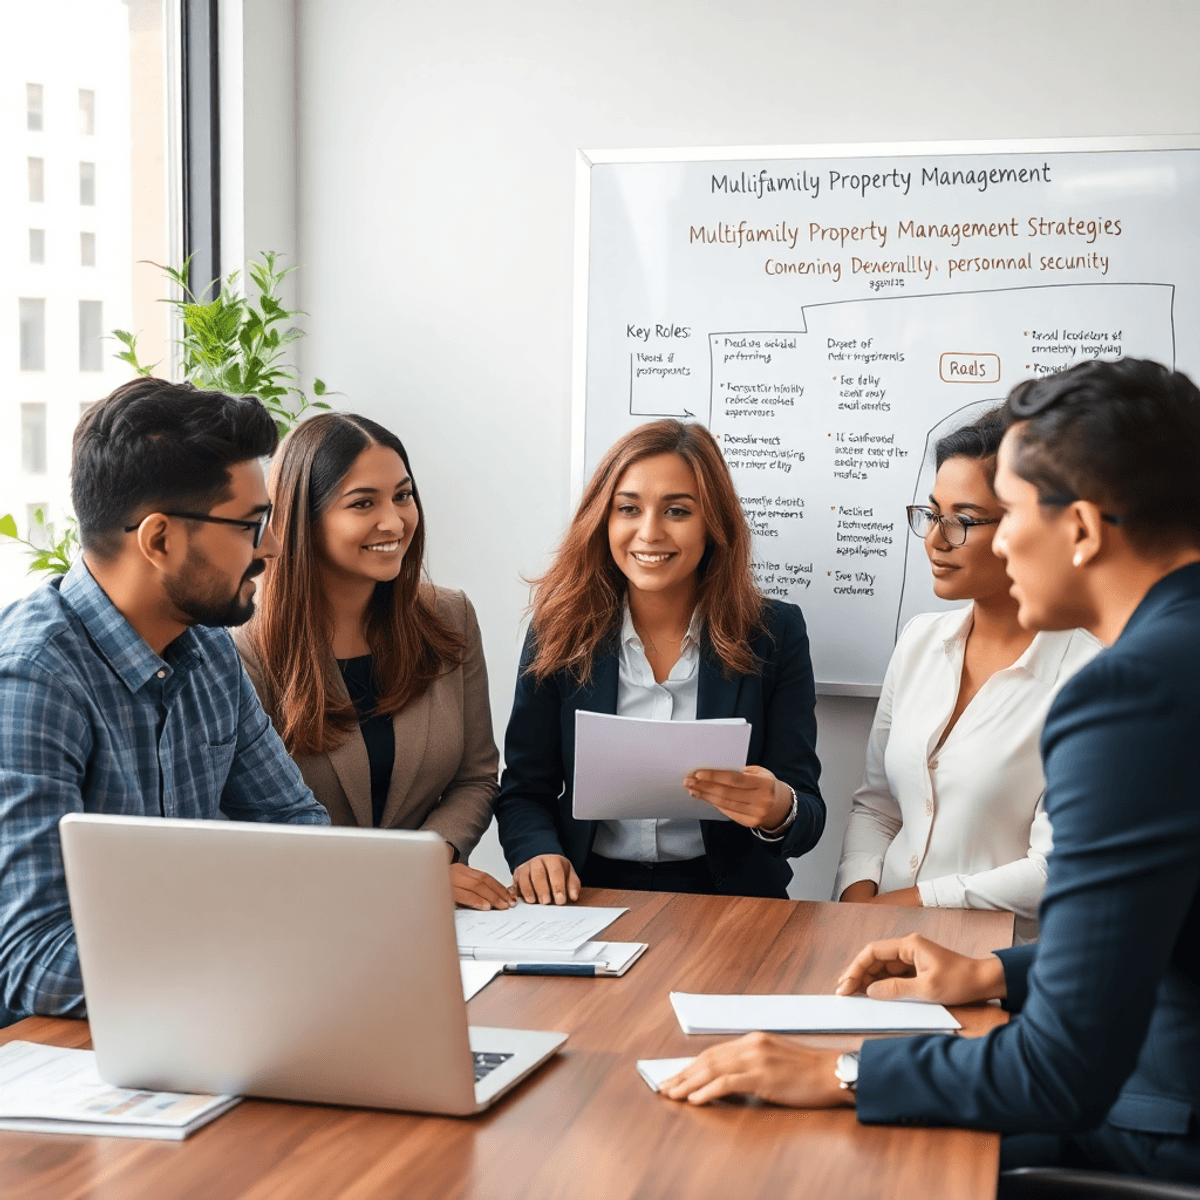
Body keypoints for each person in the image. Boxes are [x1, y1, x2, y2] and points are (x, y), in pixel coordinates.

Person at [658, 358, 1200, 1183]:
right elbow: (1157, 935)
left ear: (1083, 529)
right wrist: (989, 970)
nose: (999, 539)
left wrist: (840, 1074)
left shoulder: (1125, 694)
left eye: (1006, 513)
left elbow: (1062, 1073)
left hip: (1160, 1118)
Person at [0, 377, 331, 1028]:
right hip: (69, 1063)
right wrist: (249, 960)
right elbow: (33, 961)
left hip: (197, 1022)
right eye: (251, 525)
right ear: (158, 540)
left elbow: (299, 838)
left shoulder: (209, 651)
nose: (270, 548)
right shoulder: (32, 681)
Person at [494, 419, 824, 903]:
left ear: (713, 523)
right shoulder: (558, 629)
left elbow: (808, 813)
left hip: (728, 898)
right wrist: (535, 852)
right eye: (628, 508)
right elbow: (525, 789)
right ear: (603, 519)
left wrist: (778, 807)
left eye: (677, 511)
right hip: (587, 891)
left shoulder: (775, 634)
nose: (649, 533)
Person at [835, 408, 1100, 940]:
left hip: (998, 962)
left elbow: (1057, 869)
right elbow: (878, 806)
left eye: (964, 520)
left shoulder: (1089, 674)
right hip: (873, 936)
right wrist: (856, 901)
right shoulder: (919, 641)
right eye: (931, 514)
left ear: (1025, 525)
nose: (935, 539)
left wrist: (908, 906)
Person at [236, 413, 510, 911]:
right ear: (303, 519)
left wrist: (429, 861)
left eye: (403, 496)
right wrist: (401, 880)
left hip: (438, 916)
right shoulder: (242, 651)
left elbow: (475, 776)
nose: (395, 521)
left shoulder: (451, 618)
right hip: (306, 916)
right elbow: (251, 830)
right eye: (364, 503)